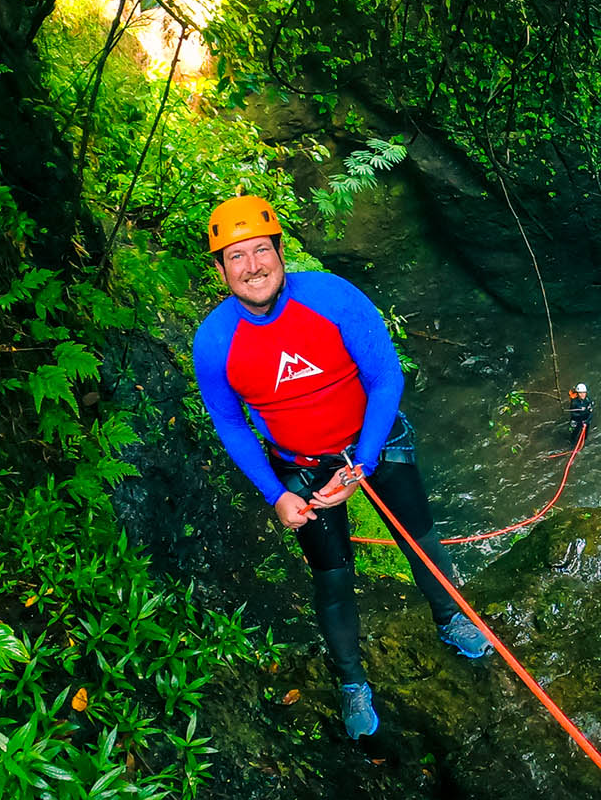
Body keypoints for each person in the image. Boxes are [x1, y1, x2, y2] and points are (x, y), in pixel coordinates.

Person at [191, 194, 491, 739]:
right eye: (236, 257)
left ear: (281, 254)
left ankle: (449, 620)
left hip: (371, 442)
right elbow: (232, 425)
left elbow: (385, 379)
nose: (252, 266)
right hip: (300, 466)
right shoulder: (215, 342)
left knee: (420, 538)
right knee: (332, 576)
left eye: (262, 251)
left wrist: (363, 463)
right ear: (220, 270)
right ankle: (351, 681)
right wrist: (275, 494)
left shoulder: (333, 299)